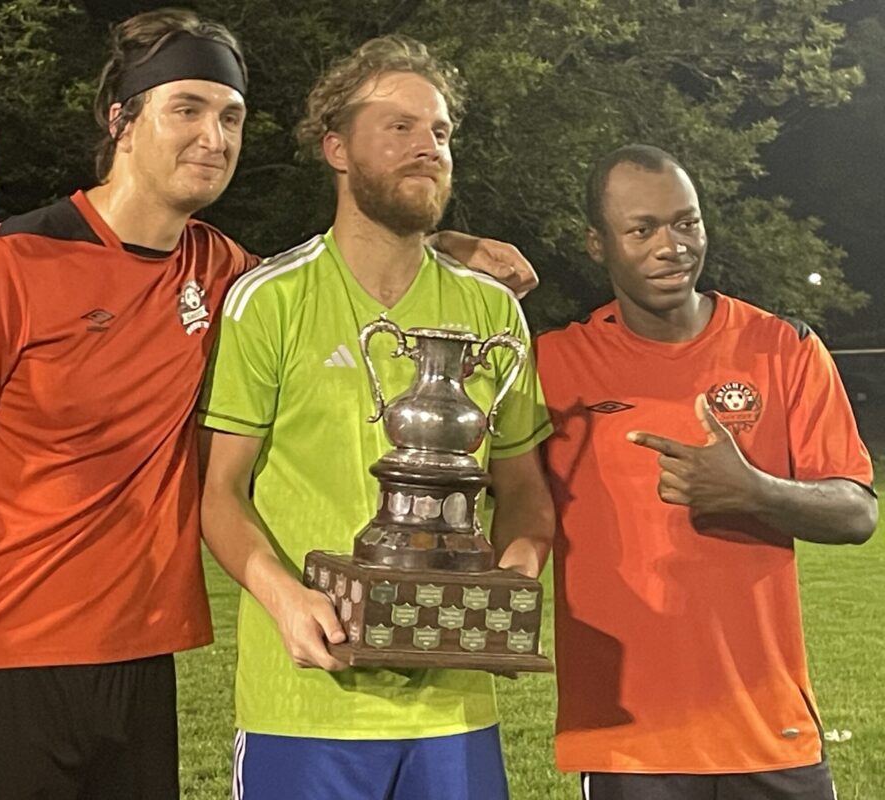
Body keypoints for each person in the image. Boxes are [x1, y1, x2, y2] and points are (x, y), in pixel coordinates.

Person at [0, 10, 534, 800]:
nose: (213, 137)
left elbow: (347, 259)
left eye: (230, 117)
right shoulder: (0, 268)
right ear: (121, 119)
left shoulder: (219, 273)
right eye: (185, 108)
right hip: (2, 664)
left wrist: (445, 245)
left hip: (144, 668)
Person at [199, 35, 556, 800]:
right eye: (397, 127)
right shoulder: (272, 300)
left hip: (454, 715)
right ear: (336, 146)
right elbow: (220, 493)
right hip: (304, 708)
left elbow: (525, 492)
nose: (426, 147)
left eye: (439, 132)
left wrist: (506, 590)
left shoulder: (492, 310)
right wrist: (284, 599)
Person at [535, 144, 878, 800]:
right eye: (642, 229)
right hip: (630, 742)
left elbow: (857, 510)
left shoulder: (783, 348)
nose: (672, 246)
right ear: (597, 244)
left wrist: (754, 489)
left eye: (685, 223)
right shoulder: (554, 365)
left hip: (770, 730)